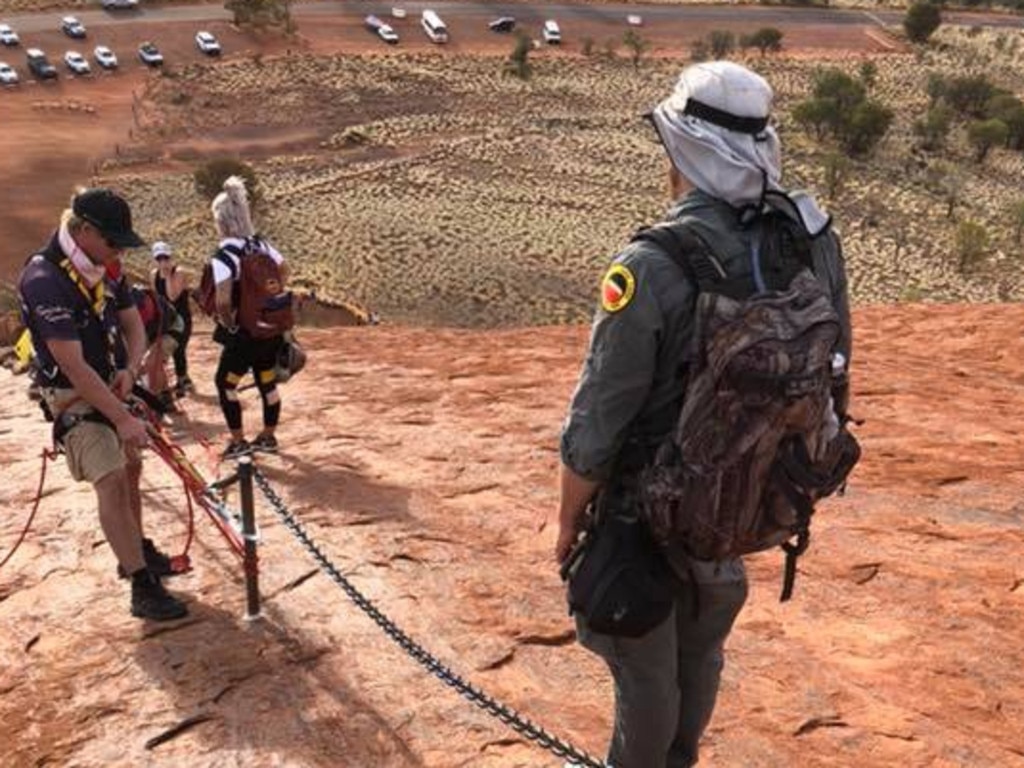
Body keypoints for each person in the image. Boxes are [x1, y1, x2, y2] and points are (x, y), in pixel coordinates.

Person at [555, 62, 852, 767]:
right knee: (703, 650)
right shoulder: (810, 240)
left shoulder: (651, 263)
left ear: (682, 149)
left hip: (646, 516)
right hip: (749, 505)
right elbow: (836, 369)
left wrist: (568, 519)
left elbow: (601, 417)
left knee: (645, 673)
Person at [17, 187, 189, 622]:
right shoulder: (44, 280)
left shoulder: (103, 267)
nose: (117, 253)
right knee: (110, 476)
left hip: (114, 384)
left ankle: (136, 549)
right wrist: (119, 417)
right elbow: (72, 365)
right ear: (85, 230)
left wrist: (130, 371)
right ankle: (142, 588)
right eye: (112, 242)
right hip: (75, 395)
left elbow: (133, 324)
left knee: (132, 467)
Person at [208, 176, 290, 459]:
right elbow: (284, 269)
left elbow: (222, 298)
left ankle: (238, 441)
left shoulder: (225, 255)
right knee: (267, 381)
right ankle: (268, 437)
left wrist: (228, 323)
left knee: (226, 384)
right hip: (270, 330)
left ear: (221, 221)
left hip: (244, 335)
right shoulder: (262, 246)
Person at [150, 241, 194, 397]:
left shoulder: (179, 272)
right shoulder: (154, 274)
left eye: (166, 258)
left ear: (171, 257)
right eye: (159, 258)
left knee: (178, 348)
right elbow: (156, 299)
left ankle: (183, 379)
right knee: (162, 351)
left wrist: (168, 275)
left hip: (182, 318)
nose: (163, 262)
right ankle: (179, 380)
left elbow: (172, 296)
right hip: (166, 319)